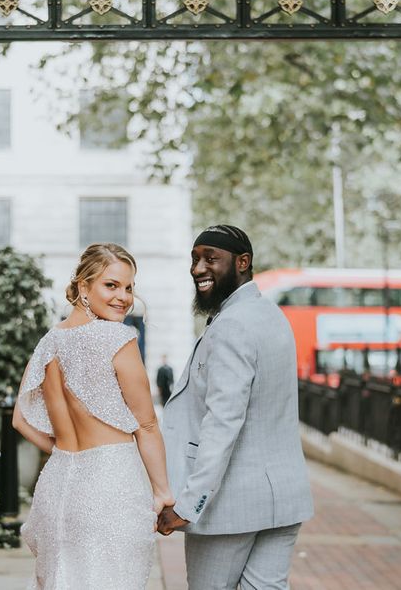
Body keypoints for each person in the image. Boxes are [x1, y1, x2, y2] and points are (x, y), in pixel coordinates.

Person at [158, 225, 313, 590]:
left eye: (211, 258)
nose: (198, 268)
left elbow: (223, 422)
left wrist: (188, 503)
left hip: (230, 507)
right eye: (195, 259)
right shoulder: (272, 315)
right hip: (283, 499)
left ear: (243, 262)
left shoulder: (231, 326)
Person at [13, 243, 174, 590]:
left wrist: (64, 448)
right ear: (83, 286)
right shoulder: (117, 338)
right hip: (111, 484)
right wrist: (162, 492)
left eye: (129, 287)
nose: (124, 297)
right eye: (111, 285)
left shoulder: (49, 342)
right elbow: (146, 425)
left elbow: (20, 419)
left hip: (57, 485)